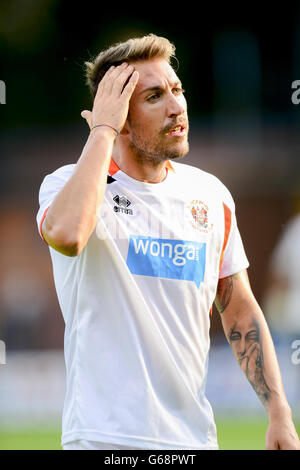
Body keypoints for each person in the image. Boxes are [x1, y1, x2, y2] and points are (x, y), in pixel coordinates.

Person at [36, 34, 300, 450]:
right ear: (120, 114)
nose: (178, 106)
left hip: (194, 439)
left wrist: (280, 411)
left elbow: (239, 307)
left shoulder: (211, 194)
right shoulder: (70, 184)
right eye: (155, 96)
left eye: (177, 90)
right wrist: (103, 128)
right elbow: (67, 236)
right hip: (104, 440)